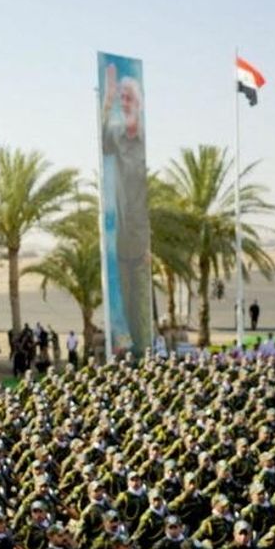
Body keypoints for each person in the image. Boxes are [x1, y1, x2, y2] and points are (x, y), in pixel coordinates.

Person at [100, 62, 152, 355]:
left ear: (140, 103)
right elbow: (100, 139)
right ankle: (127, 348)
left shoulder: (142, 141)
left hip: (141, 242)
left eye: (128, 97)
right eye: (121, 98)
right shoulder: (116, 137)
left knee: (141, 305)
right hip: (120, 237)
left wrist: (147, 242)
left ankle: (144, 352)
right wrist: (106, 101)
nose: (124, 103)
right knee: (122, 299)